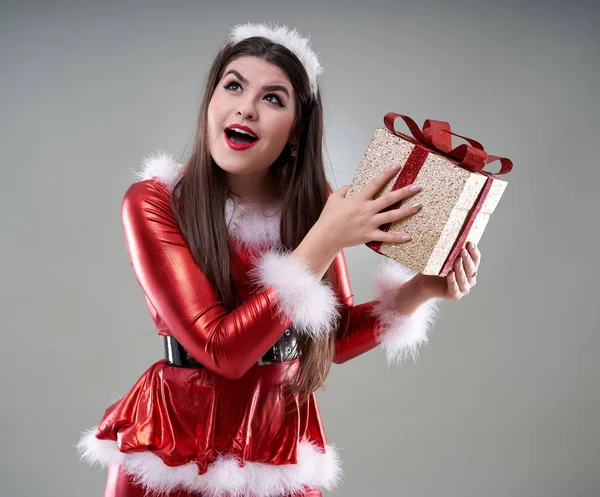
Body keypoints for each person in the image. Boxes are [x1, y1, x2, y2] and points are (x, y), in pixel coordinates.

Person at [78, 22, 481, 497]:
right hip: (174, 443)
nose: (245, 107)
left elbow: (325, 341)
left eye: (273, 98)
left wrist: (420, 291)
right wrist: (324, 240)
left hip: (275, 440)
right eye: (233, 86)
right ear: (210, 103)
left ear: (296, 131)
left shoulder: (312, 208)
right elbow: (221, 353)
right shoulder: (156, 201)